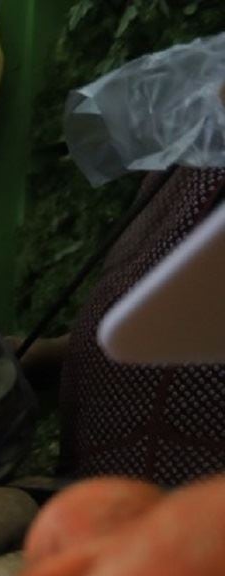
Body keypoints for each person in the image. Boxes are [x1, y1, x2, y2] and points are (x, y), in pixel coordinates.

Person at [26, 166, 225, 485]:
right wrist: (60, 351)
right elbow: (162, 305)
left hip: (191, 488)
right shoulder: (177, 164)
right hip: (99, 484)